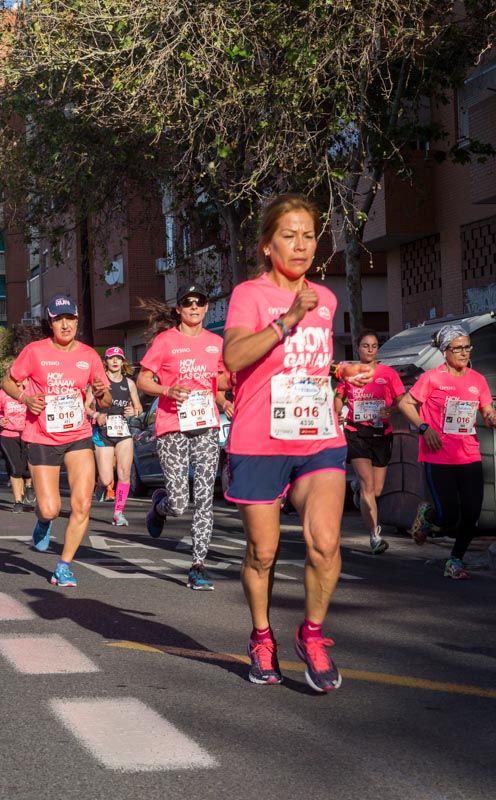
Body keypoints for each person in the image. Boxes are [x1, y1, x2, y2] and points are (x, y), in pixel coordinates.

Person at [222, 193, 374, 693]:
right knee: (263, 552)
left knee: (325, 542)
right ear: (268, 246)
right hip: (259, 441)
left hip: (316, 437)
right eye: (289, 235)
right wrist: (286, 319)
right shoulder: (249, 295)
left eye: (309, 235)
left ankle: (312, 635)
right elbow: (234, 358)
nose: (302, 244)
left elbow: (308, 365)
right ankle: (262, 637)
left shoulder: (325, 299)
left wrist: (339, 372)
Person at [1, 293, 110, 589]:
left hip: (78, 435)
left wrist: (101, 393)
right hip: (42, 436)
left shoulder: (89, 356)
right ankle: (43, 521)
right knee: (50, 508)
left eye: (69, 319)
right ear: (50, 323)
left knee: (82, 504)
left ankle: (63, 566)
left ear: (77, 320)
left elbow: (106, 400)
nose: (65, 325)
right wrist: (25, 398)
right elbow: (8, 381)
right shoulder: (35, 352)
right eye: (58, 320)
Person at [137, 286, 233, 590]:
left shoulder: (216, 343)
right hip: (172, 425)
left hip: (205, 425)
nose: (194, 307)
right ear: (178, 309)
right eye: (187, 302)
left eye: (199, 302)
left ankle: (198, 565)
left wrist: (226, 398)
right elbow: (142, 379)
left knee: (204, 496)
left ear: (206, 308)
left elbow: (219, 382)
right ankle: (160, 505)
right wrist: (167, 390)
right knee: (180, 502)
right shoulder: (165, 341)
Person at [396, 324, 496, 580]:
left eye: (467, 347)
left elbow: (487, 410)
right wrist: (423, 428)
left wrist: (492, 417)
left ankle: (455, 560)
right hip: (438, 454)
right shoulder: (432, 378)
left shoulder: (477, 380)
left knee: (472, 513)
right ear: (445, 351)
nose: (464, 353)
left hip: (469, 454)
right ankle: (428, 515)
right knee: (449, 516)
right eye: (458, 348)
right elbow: (405, 403)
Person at [334, 330, 405, 555]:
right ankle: (375, 535)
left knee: (377, 490)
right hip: (356, 432)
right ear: (358, 348)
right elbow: (339, 397)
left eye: (374, 346)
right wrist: (338, 412)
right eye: (366, 345)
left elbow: (401, 401)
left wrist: (391, 410)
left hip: (381, 433)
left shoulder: (388, 374)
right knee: (368, 486)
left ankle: (359, 488)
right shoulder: (350, 372)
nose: (370, 349)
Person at [92, 347, 143, 527]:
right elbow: (85, 406)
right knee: (107, 479)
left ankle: (118, 512)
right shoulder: (98, 382)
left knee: (124, 473)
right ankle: (101, 483)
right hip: (102, 432)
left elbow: (138, 408)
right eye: (111, 358)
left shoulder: (129, 383)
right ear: (105, 361)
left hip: (123, 432)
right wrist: (96, 415)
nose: (115, 361)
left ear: (123, 362)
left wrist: (133, 411)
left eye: (118, 358)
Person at [0, 382, 35, 512]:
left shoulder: (32, 390)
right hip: (8, 434)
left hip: (29, 433)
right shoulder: (2, 393)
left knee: (27, 467)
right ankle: (18, 501)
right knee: (15, 468)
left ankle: (28, 485)